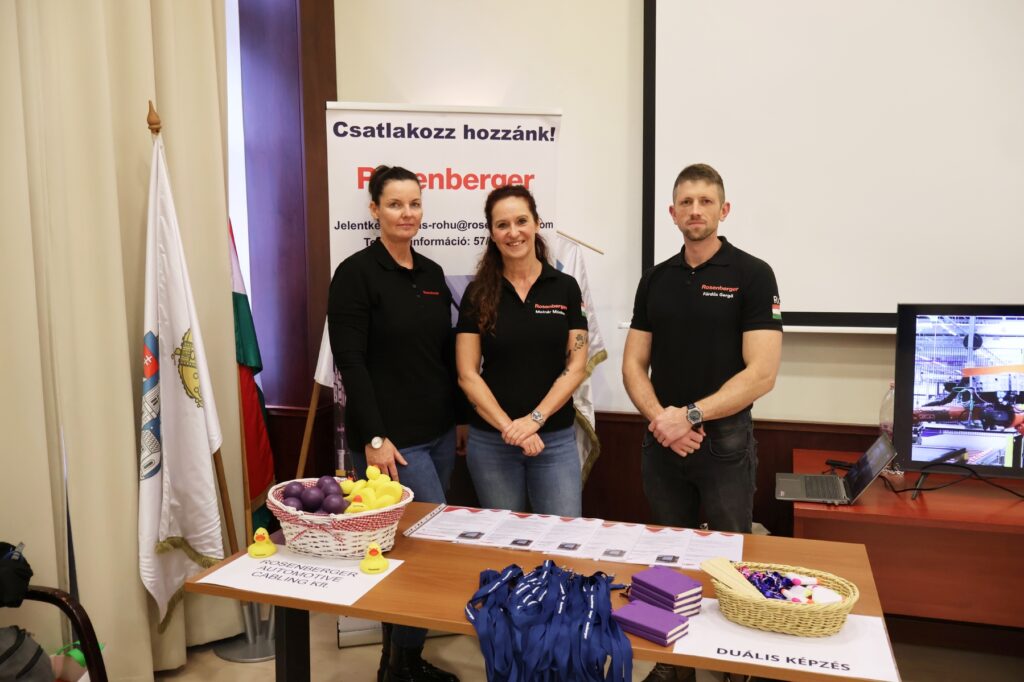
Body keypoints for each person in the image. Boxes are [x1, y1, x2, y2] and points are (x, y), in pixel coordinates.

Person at [622, 164, 783, 682]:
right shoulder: (656, 279)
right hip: (662, 442)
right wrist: (662, 421)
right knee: (668, 559)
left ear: (723, 210)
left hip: (724, 443)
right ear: (672, 213)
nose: (695, 211)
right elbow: (633, 364)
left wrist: (689, 415)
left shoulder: (753, 274)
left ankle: (736, 665)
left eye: (706, 201)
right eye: (686, 202)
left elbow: (762, 373)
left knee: (730, 559)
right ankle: (674, 665)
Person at [328, 165, 461, 682]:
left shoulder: (430, 273)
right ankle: (400, 663)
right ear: (374, 210)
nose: (407, 213)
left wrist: (459, 421)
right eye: (395, 204)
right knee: (425, 547)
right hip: (393, 443)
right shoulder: (356, 274)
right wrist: (375, 438)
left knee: (415, 549)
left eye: (414, 204)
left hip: (439, 434)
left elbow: (440, 356)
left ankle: (401, 659)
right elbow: (351, 363)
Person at [456, 185, 589, 517]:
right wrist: (511, 429)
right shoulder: (477, 293)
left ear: (536, 223)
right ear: (492, 234)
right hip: (493, 443)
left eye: (521, 221)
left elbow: (576, 365)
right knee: (503, 540)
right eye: (502, 225)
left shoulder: (565, 287)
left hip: (554, 440)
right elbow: (467, 374)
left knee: (564, 537)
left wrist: (534, 420)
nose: (513, 232)